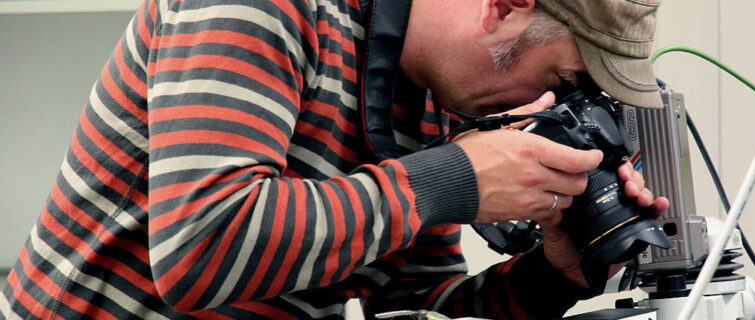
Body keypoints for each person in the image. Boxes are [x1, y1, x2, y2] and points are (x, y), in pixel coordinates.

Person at [0, 0, 668, 318]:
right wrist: (452, 180)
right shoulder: (265, 6)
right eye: (561, 78)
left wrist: (555, 275)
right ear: (506, 5)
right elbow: (200, 245)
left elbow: (412, 306)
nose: (545, 104)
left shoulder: (433, 99)